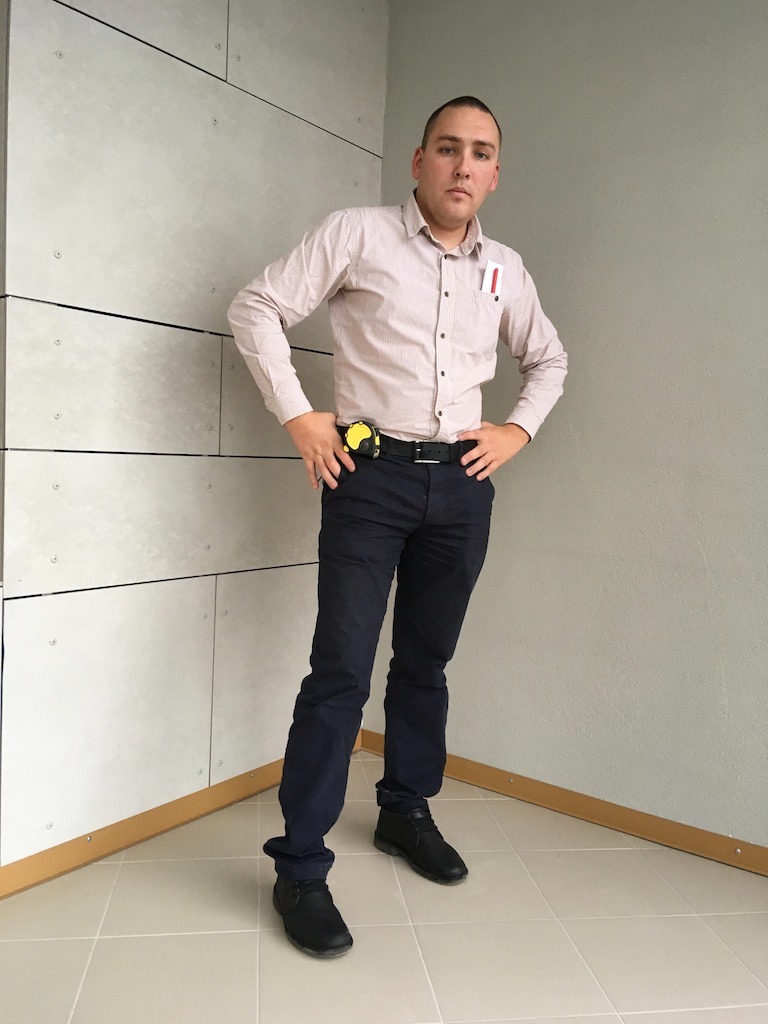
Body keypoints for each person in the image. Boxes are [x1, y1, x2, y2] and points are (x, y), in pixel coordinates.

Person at [227, 96, 567, 958]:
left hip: (461, 486)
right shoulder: (358, 233)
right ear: (418, 161)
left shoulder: (506, 269)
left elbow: (548, 359)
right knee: (340, 672)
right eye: (448, 148)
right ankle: (301, 866)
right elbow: (256, 306)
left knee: (426, 663)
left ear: (495, 174)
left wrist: (516, 430)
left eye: (480, 153)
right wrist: (299, 416)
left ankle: (404, 810)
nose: (463, 165)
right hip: (368, 478)